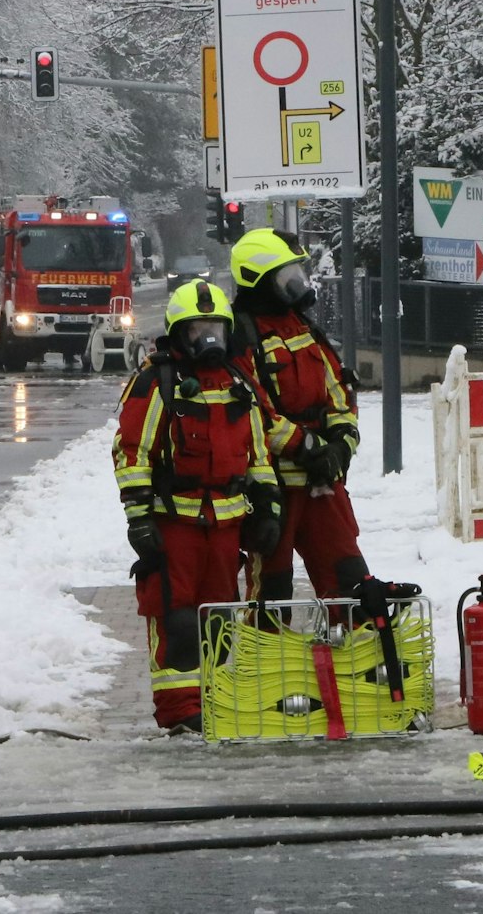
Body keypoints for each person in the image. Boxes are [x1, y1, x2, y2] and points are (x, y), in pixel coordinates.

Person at [112, 280, 283, 734]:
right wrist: (139, 520)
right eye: (198, 330)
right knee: (178, 622)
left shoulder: (239, 384)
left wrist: (267, 507)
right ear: (178, 333)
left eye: (215, 329)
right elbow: (132, 452)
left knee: (221, 619)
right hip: (175, 524)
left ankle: (214, 702)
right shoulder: (156, 381)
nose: (209, 339)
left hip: (226, 525)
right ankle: (179, 714)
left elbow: (258, 454)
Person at [229, 229, 408, 611]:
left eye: (297, 271)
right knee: (270, 596)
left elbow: (338, 388)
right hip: (274, 490)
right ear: (259, 279)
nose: (298, 282)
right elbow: (255, 413)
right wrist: (306, 447)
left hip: (322, 486)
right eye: (286, 275)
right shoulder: (241, 337)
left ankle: (357, 666)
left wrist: (343, 440)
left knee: (351, 583)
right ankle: (263, 669)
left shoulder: (304, 328)